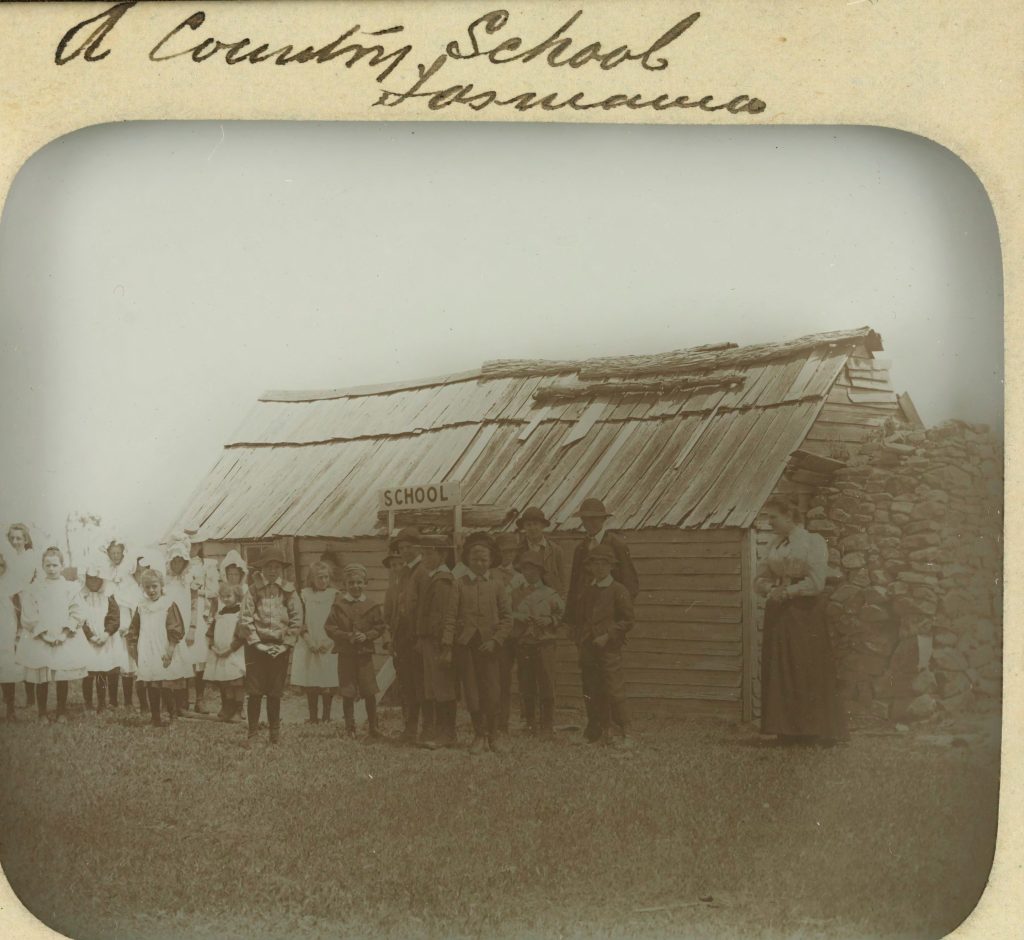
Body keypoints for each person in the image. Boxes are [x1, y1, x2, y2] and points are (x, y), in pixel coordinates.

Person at [755, 497, 848, 746]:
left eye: (773, 517)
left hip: (804, 611)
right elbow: (760, 577)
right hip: (779, 612)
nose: (769, 522)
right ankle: (787, 730)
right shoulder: (775, 544)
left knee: (805, 666)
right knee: (781, 667)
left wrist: (788, 592)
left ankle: (813, 730)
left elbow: (816, 582)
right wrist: (769, 589)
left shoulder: (812, 542)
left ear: (789, 516)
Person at [444, 531, 512, 755]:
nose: (480, 563)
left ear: (491, 561)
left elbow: (507, 618)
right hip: (466, 646)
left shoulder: (498, 585)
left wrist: (496, 640)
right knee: (472, 691)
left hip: (490, 647)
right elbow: (451, 617)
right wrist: (447, 645)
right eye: (475, 559)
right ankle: (479, 735)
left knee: (492, 690)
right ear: (468, 561)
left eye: (484, 559)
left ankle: (494, 735)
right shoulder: (459, 584)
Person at [16, 547, 89, 723]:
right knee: (42, 675)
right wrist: (44, 636)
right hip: (42, 638)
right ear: (42, 566)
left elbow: (77, 612)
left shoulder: (70, 588)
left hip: (63, 638)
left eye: (55, 565)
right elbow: (29, 614)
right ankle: (42, 713)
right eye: (47, 565)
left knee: (61, 675)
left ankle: (61, 711)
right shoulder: (34, 588)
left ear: (62, 566)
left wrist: (64, 633)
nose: (51, 568)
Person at [238, 548, 302, 746]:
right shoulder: (253, 590)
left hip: (280, 647)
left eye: (276, 567)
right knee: (255, 692)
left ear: (281, 570)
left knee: (275, 692)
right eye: (268, 567)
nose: (272, 571)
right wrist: (258, 644)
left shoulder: (289, 591)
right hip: (257, 648)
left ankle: (275, 734)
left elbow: (296, 619)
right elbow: (246, 618)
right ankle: (253, 734)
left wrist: (285, 645)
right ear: (262, 569)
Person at [572, 544, 634, 747]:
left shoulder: (618, 589)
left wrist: (607, 636)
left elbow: (627, 620)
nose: (599, 568)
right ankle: (598, 733)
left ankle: (626, 733)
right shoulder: (588, 590)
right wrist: (581, 639)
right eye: (594, 564)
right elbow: (580, 618)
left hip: (608, 649)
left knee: (614, 690)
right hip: (588, 649)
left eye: (603, 564)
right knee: (591, 689)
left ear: (611, 566)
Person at [325, 563, 385, 740]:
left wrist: (367, 636)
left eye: (359, 582)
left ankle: (373, 727)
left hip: (364, 654)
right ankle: (350, 728)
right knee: (348, 691)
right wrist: (347, 636)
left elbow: (380, 626)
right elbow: (329, 628)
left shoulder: (372, 605)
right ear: (345, 585)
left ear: (365, 583)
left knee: (369, 690)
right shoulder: (338, 605)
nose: (355, 586)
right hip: (346, 655)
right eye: (351, 583)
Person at [126, 569, 190, 727]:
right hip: (147, 649)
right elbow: (134, 629)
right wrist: (135, 651)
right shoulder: (141, 606)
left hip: (164, 648)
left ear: (161, 585)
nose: (151, 590)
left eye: (154, 586)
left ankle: (173, 717)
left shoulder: (168, 604)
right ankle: (155, 718)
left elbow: (175, 628)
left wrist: (170, 649)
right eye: (147, 587)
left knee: (166, 684)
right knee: (151, 684)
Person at [564, 499, 639, 633]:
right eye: (585, 519)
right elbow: (574, 586)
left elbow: (630, 585)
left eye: (594, 519)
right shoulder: (581, 548)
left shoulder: (617, 545)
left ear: (603, 519)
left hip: (608, 619)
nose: (589, 523)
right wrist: (571, 621)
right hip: (585, 618)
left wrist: (617, 619)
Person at [511, 551, 564, 738]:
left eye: (533, 569)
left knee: (546, 684)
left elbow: (562, 615)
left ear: (540, 572)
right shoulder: (515, 594)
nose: (529, 573)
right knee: (526, 684)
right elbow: (506, 614)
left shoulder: (550, 594)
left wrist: (549, 620)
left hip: (544, 644)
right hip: (524, 643)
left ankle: (547, 725)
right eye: (525, 569)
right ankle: (530, 723)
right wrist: (520, 617)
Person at [414, 535, 457, 750]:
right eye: (423, 553)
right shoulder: (431, 577)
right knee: (433, 687)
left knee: (443, 688)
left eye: (430, 554)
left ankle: (447, 733)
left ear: (443, 555)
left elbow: (440, 616)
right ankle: (442, 732)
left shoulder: (443, 580)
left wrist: (441, 644)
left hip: (438, 641)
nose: (425, 558)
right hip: (429, 640)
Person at [392, 528, 428, 744]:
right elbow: (398, 606)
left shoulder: (423, 571)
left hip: (418, 635)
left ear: (418, 547)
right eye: (401, 548)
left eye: (409, 547)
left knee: (421, 683)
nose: (405, 551)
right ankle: (410, 727)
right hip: (403, 635)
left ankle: (426, 727)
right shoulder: (403, 572)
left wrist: (419, 636)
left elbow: (422, 607)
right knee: (407, 683)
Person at [294, 561, 340, 725]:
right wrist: (308, 640)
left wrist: (330, 641)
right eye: (319, 577)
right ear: (312, 579)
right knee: (312, 680)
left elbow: (339, 621)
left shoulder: (334, 595)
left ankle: (327, 716)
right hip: (310, 643)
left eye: (326, 577)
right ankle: (313, 716)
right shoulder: (305, 595)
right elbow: (300, 620)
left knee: (327, 680)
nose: (323, 581)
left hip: (328, 642)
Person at [491, 532, 526, 734]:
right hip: (501, 633)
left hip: (519, 633)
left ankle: (527, 720)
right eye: (504, 552)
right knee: (501, 678)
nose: (508, 555)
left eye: (512, 551)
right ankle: (499, 722)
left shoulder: (522, 576)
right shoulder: (492, 574)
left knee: (523, 676)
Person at [77, 558, 122, 714]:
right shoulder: (81, 597)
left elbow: (114, 616)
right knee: (88, 673)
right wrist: (90, 636)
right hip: (88, 641)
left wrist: (106, 633)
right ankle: (88, 702)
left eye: (97, 578)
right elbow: (79, 619)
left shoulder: (109, 596)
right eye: (90, 578)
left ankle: (102, 703)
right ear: (85, 579)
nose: (94, 581)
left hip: (105, 639)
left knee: (103, 671)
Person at [101, 536, 138, 709]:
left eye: (118, 553)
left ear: (123, 553)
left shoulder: (128, 577)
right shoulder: (106, 575)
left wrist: (130, 626)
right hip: (111, 619)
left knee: (126, 659)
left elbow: (134, 602)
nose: (115, 556)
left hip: (125, 619)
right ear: (108, 554)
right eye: (112, 553)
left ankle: (129, 701)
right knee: (112, 658)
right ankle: (113, 700)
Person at [204, 582, 246, 722]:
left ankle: (239, 710)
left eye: (229, 596)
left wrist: (230, 649)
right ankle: (228, 707)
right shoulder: (219, 614)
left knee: (236, 682)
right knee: (226, 682)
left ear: (237, 596)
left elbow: (242, 635)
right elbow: (210, 632)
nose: (226, 599)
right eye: (223, 596)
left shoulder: (240, 613)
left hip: (234, 653)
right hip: (219, 653)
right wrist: (212, 647)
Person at [7, 522, 38, 708]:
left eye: (19, 538)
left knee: (29, 647)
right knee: (14, 646)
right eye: (12, 538)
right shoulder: (9, 557)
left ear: (26, 539)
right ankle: (11, 694)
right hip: (11, 603)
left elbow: (25, 580)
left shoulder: (30, 557)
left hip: (26, 602)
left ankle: (32, 697)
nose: (15, 541)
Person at [515, 506, 566, 595]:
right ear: (524, 527)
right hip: (527, 599)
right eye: (528, 525)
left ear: (542, 525)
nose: (532, 528)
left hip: (551, 598)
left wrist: (561, 599)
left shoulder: (555, 550)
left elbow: (563, 579)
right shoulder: (518, 551)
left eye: (535, 524)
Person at [0, 549, 23, 720]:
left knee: (7, 668)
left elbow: (19, 610)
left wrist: (19, 631)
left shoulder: (10, 585)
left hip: (6, 631)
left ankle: (10, 708)